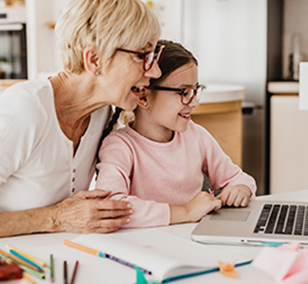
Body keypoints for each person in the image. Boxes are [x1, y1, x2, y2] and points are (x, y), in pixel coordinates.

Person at [0, 0, 163, 237]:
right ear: (94, 60)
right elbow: (63, 218)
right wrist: (56, 218)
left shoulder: (103, 113)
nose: (155, 71)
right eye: (142, 56)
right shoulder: (25, 108)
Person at [96, 40, 257, 228]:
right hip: (145, 245)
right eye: (184, 92)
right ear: (143, 96)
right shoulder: (120, 146)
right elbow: (111, 208)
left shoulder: (196, 136)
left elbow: (238, 177)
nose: (194, 102)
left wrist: (241, 189)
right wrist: (186, 212)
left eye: (195, 90)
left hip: (192, 238)